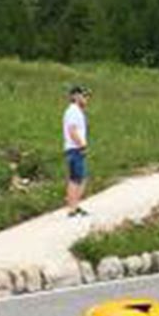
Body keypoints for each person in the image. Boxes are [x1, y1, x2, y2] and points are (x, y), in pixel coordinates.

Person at [62, 85, 90, 218]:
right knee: (77, 179)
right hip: (75, 149)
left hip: (74, 148)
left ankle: (74, 205)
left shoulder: (76, 111)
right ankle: (72, 208)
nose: (86, 98)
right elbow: (72, 130)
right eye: (84, 95)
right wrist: (81, 145)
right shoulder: (73, 111)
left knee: (78, 178)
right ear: (75, 96)